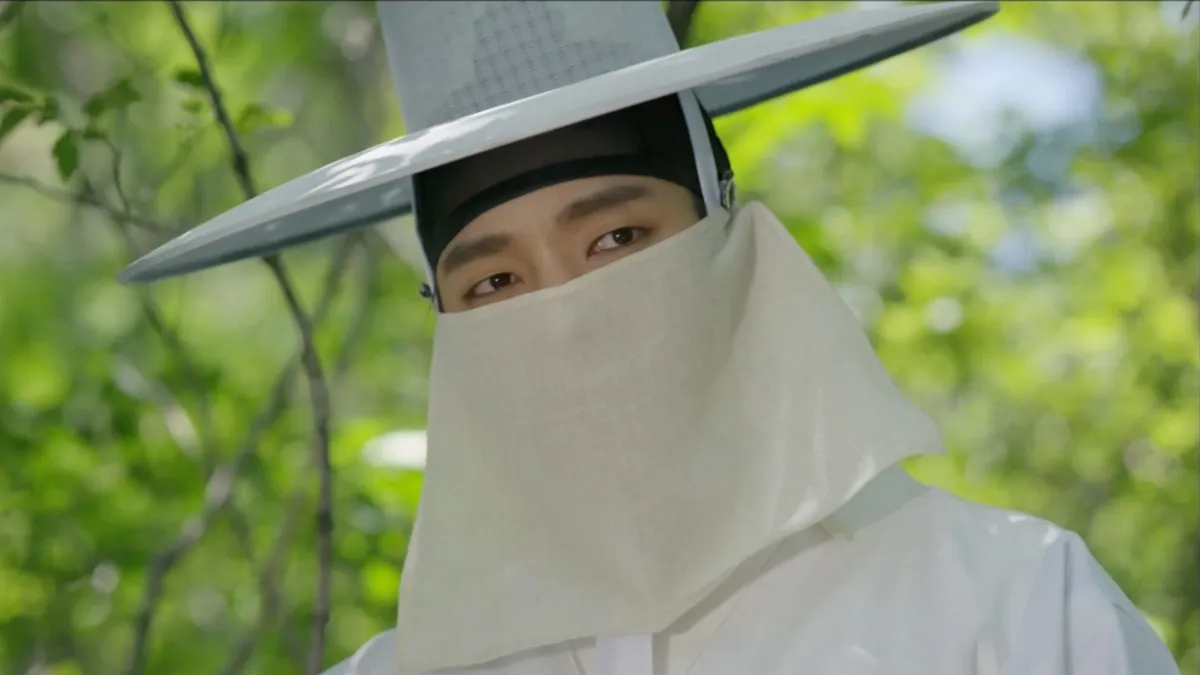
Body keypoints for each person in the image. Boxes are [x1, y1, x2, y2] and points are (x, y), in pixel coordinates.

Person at [121, 2, 1181, 674]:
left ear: (724, 230)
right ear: (443, 321)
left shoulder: (1012, 604)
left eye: (618, 239)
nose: (568, 313)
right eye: (496, 281)